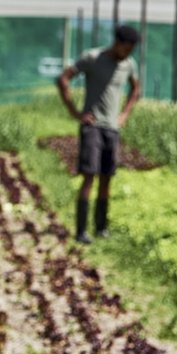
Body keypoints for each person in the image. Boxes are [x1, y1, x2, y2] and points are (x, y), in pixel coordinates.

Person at [55, 24, 142, 243]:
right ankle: (81, 230)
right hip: (92, 126)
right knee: (89, 177)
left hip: (112, 128)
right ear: (117, 43)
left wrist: (124, 115)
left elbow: (136, 90)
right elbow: (63, 78)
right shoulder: (92, 58)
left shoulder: (128, 64)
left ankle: (101, 228)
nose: (128, 54)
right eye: (126, 49)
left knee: (107, 178)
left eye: (132, 51)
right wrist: (75, 112)